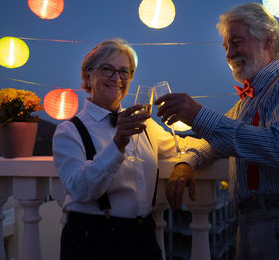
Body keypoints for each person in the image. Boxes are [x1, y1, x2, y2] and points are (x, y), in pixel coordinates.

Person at [155, 3, 279, 260]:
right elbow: (217, 142)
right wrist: (187, 161)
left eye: (237, 42)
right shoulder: (246, 103)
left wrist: (197, 114)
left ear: (268, 40)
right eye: (226, 46)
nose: (230, 52)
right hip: (253, 223)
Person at [53, 38, 183, 260]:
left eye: (124, 71)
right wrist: (117, 144)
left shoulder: (145, 124)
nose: (117, 78)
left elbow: (183, 147)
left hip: (143, 239)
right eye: (107, 69)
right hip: (91, 241)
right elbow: (80, 190)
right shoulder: (69, 131)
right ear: (87, 77)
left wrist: (186, 164)